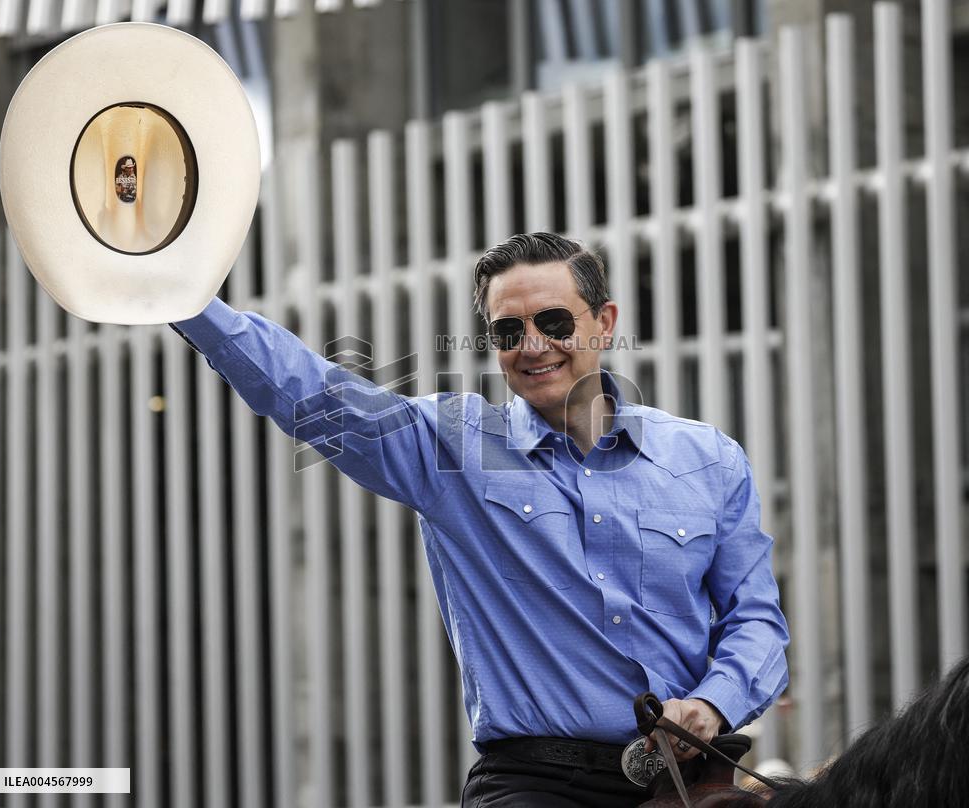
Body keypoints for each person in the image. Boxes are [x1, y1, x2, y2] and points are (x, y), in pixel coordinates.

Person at [170, 231, 789, 807]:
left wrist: (713, 703)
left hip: (691, 782)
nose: (533, 346)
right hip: (535, 785)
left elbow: (756, 619)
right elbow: (308, 389)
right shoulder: (450, 448)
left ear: (604, 325)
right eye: (507, 330)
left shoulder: (708, 458)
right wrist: (179, 295)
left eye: (553, 322)